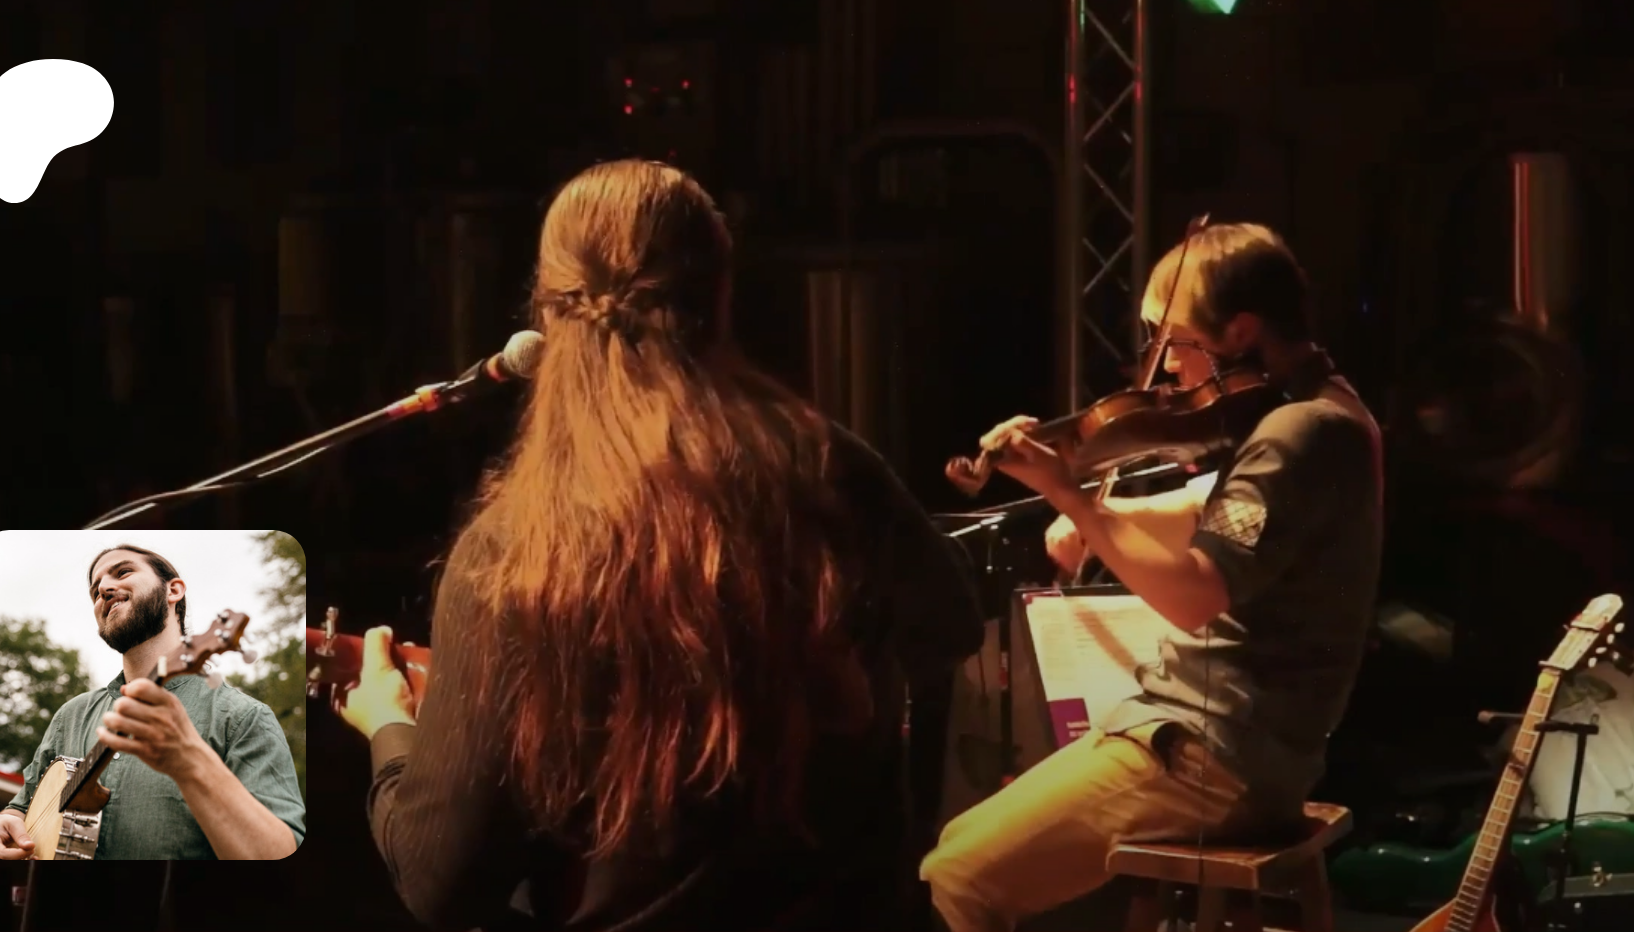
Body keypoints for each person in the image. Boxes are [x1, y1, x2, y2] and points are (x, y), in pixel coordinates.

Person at [334, 159, 985, 931]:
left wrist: (389, 725)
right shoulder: (829, 469)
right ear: (722, 293)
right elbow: (951, 626)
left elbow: (440, 882)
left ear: (548, 314)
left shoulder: (515, 553)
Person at [920, 222, 1384, 930]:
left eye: (1179, 343)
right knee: (958, 841)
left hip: (1214, 752)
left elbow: (1195, 595)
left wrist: (1072, 496)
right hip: (1226, 740)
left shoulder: (1300, 432)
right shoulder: (1326, 409)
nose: (1165, 369)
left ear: (1240, 331)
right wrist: (1095, 509)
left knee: (955, 877)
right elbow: (1205, 511)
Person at [0, 544, 306, 861]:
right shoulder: (71, 716)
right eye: (95, 591)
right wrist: (3, 821)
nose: (104, 589)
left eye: (123, 572)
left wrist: (191, 763)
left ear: (173, 590)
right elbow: (21, 808)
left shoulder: (244, 717)